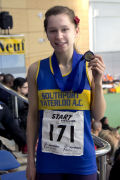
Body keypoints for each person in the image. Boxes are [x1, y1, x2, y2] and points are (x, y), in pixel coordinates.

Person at [26, 6, 106, 180]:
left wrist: (98, 82)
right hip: (48, 162)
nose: (59, 36)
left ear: (76, 31)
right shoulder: (35, 70)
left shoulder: (89, 67)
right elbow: (32, 116)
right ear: (46, 34)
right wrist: (30, 162)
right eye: (52, 30)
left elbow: (98, 116)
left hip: (82, 162)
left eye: (65, 29)